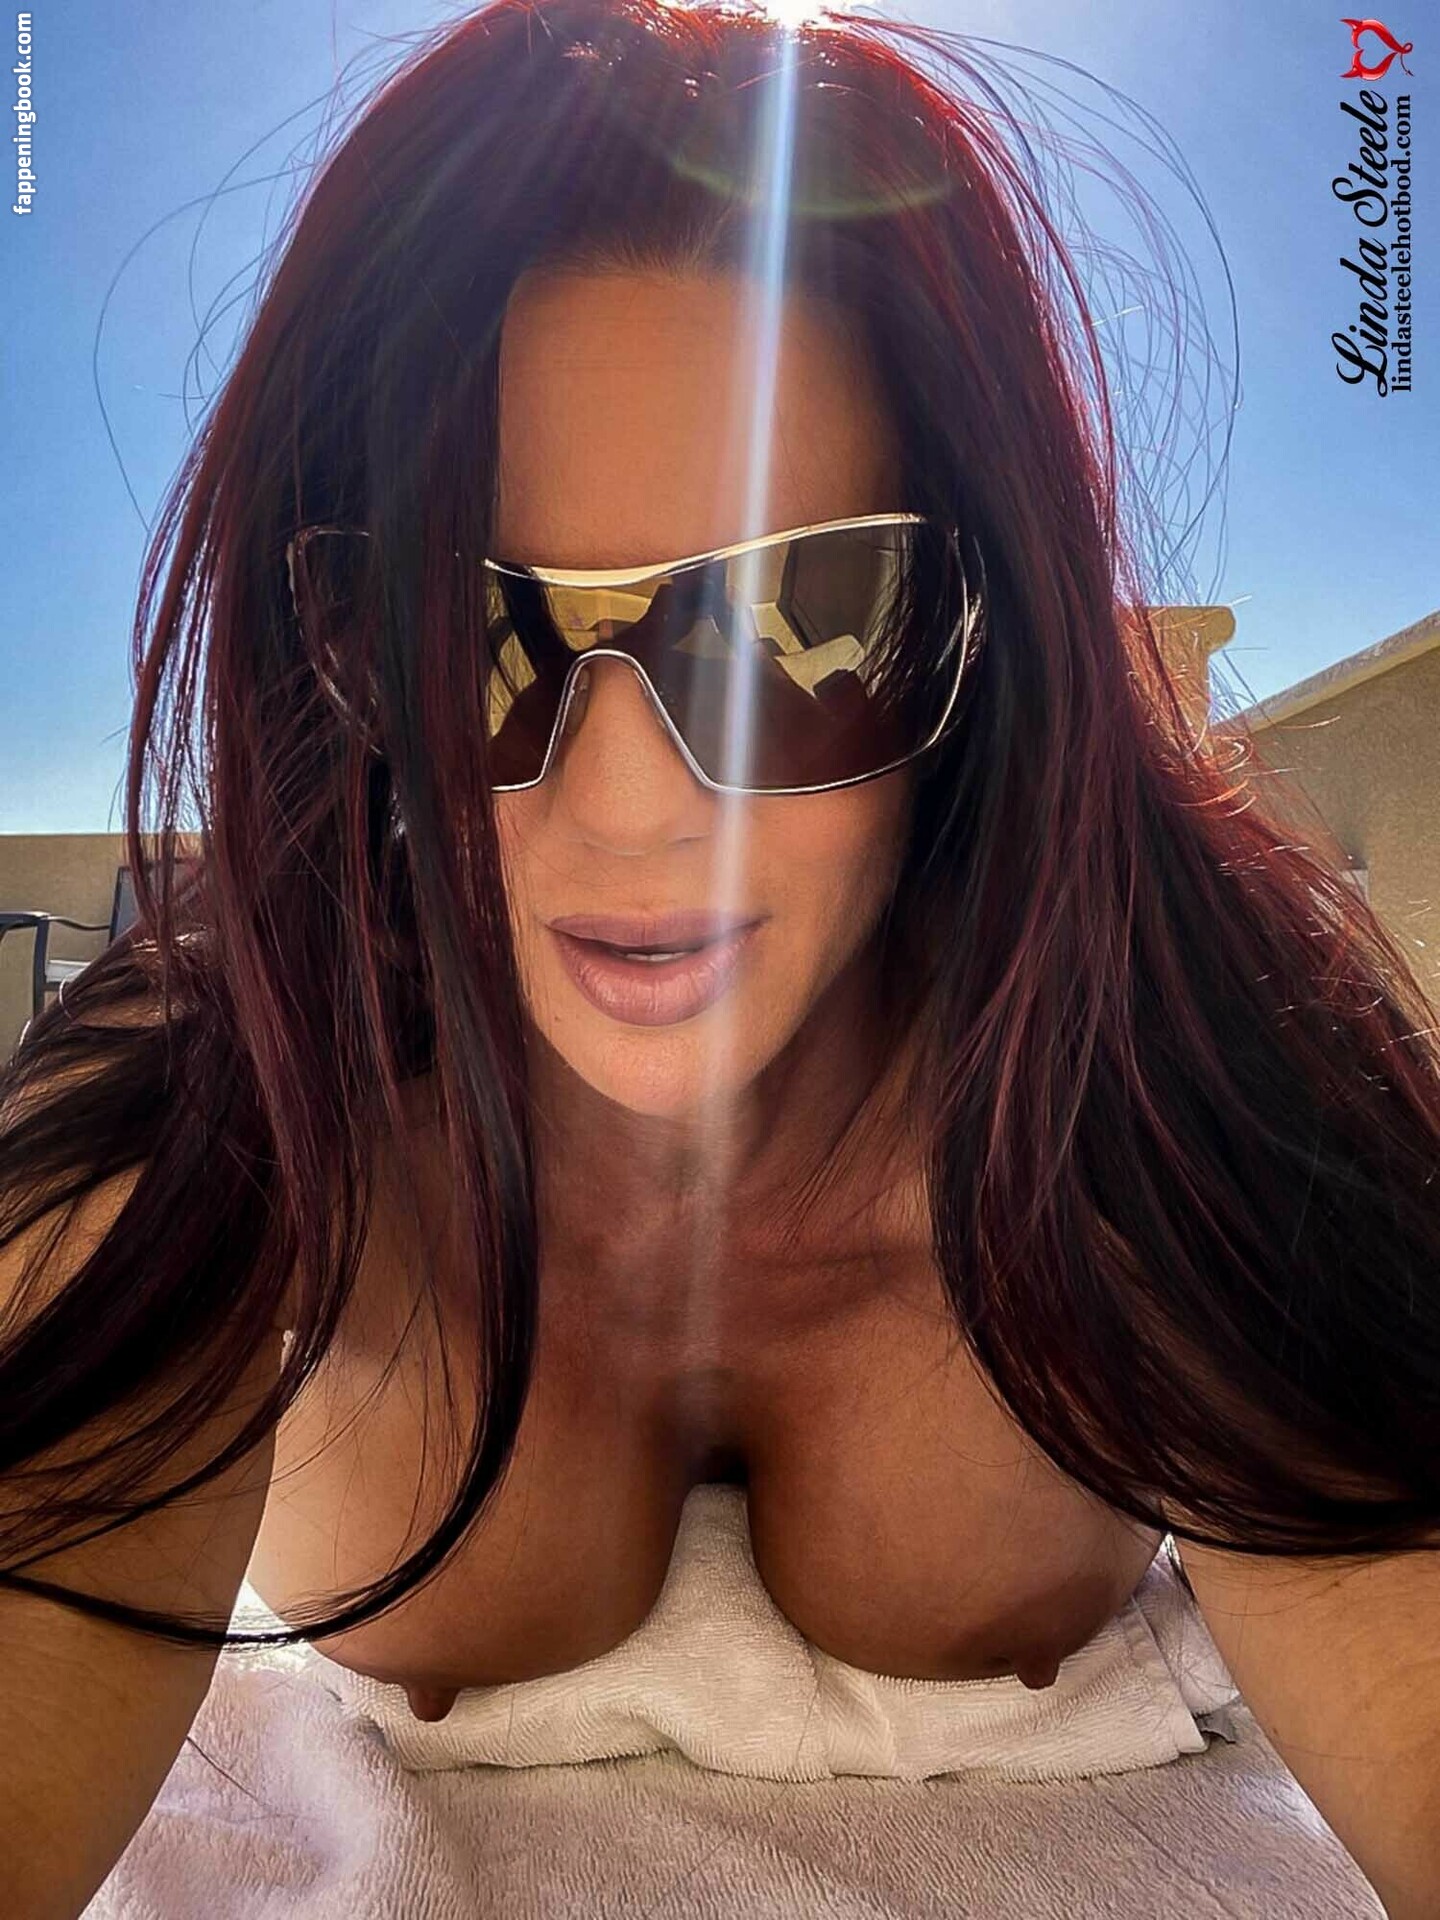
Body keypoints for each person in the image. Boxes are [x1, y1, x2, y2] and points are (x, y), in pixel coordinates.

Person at [2, 1, 1438, 1913]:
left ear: (979, 629)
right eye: (469, 634)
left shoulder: (1165, 1068)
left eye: (797, 622)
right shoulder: (226, 1084)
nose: (624, 807)